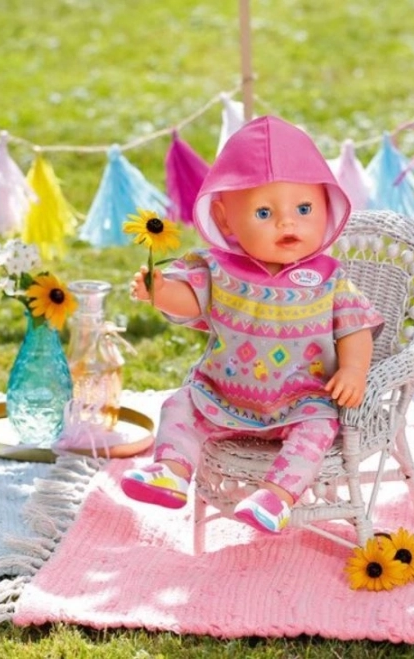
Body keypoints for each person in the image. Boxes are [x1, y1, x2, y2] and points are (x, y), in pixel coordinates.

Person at [122, 115, 384, 534]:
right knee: (179, 405)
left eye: (304, 209)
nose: (287, 223)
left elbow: (355, 327)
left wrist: (353, 370)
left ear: (325, 205)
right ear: (226, 220)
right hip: (220, 395)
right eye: (264, 212)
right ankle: (171, 470)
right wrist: (160, 291)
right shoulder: (218, 269)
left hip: (302, 401)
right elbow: (190, 299)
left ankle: (275, 497)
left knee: (317, 430)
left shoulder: (329, 279)